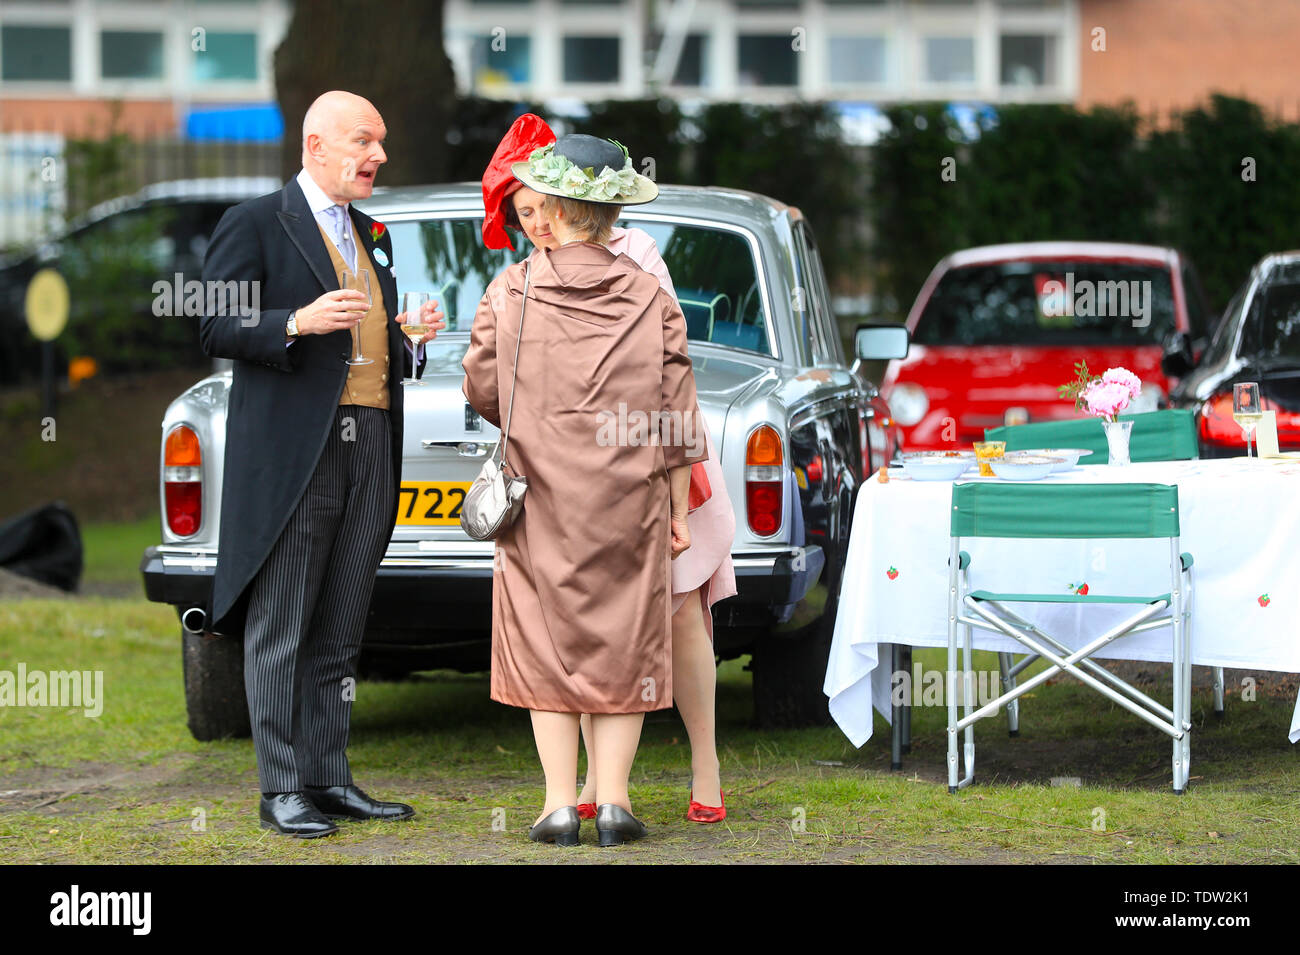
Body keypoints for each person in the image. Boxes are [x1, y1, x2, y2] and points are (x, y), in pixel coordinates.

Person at [199, 90, 445, 837]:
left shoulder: (372, 232)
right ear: (315, 145)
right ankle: (281, 787)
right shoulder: (254, 223)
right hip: (297, 454)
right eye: (365, 141)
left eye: (381, 142)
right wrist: (295, 322)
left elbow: (368, 347)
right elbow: (213, 320)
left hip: (371, 442)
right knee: (282, 622)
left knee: (341, 625)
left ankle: (329, 776)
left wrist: (409, 339)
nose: (380, 156)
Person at [480, 115, 736, 824]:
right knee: (626, 641)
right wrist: (680, 510)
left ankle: (562, 803)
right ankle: (616, 800)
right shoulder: (652, 295)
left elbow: (481, 388)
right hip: (631, 494)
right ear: (614, 211)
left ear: (559, 210)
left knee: (542, 642)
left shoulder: (510, 290)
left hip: (539, 496)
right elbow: (678, 412)